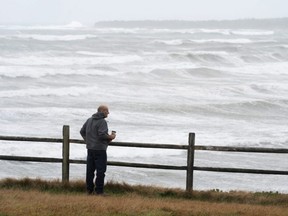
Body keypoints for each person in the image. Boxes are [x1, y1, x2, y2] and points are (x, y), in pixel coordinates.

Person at [80, 105, 116, 195]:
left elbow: (82, 131)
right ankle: (99, 191)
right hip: (100, 149)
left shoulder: (89, 120)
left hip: (90, 148)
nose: (108, 113)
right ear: (102, 111)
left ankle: (89, 190)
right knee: (100, 171)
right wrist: (111, 137)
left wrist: (88, 141)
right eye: (107, 111)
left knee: (90, 171)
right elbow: (102, 135)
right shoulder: (102, 122)